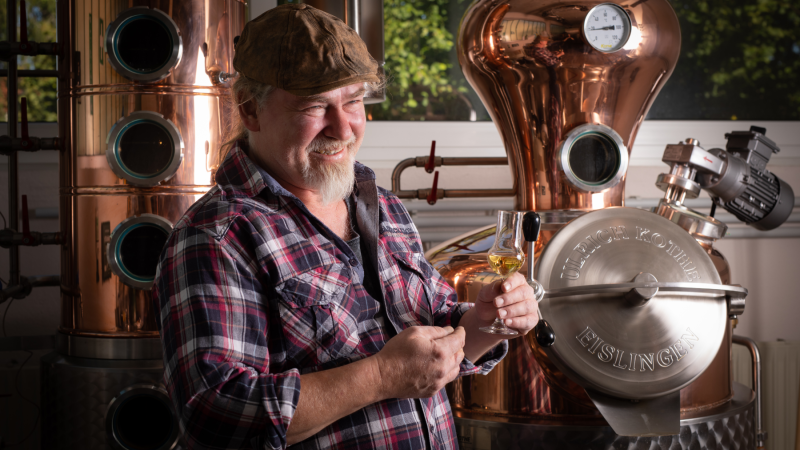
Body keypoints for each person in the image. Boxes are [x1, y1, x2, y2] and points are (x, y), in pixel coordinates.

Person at [153, 4, 539, 449]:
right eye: (315, 106)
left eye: (353, 101)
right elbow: (214, 411)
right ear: (250, 110)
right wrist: (381, 376)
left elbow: (435, 342)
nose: (342, 127)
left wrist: (485, 323)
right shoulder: (217, 237)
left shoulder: (381, 206)